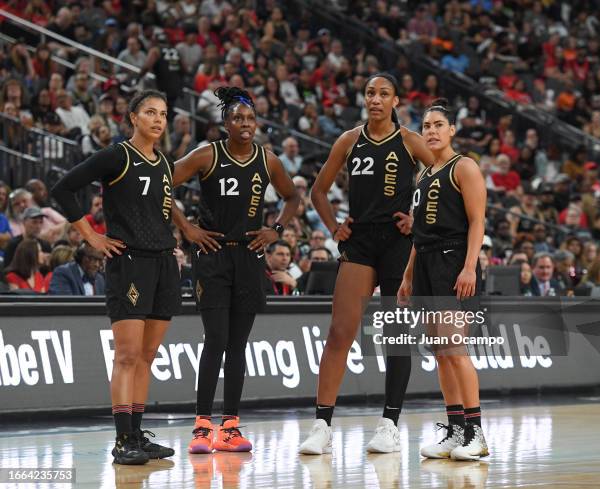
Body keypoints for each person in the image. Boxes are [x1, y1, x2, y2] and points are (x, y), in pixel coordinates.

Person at [299, 73, 434, 455]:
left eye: (383, 94)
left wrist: (418, 218)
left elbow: (445, 176)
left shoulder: (410, 141)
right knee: (339, 332)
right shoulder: (349, 140)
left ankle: (390, 424)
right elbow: (318, 191)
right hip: (359, 241)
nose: (375, 99)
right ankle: (321, 426)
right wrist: (333, 227)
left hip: (397, 242)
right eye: (370, 93)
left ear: (396, 102)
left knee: (395, 337)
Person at [51, 90, 183, 465]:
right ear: (133, 118)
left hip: (163, 264)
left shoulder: (165, 163)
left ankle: (137, 435)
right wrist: (91, 235)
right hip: (130, 264)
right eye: (151, 113)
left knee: (147, 356)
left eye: (163, 113)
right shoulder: (117, 156)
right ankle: (123, 438)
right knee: (126, 355)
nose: (159, 120)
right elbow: (64, 188)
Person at [170, 87, 299, 454]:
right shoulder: (207, 154)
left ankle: (230, 426)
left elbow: (292, 196)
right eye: (238, 118)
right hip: (212, 256)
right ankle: (201, 427)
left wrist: (275, 230)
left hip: (249, 256)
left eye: (250, 118)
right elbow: (165, 185)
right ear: (225, 123)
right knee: (216, 340)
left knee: (238, 345)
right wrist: (187, 228)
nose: (245, 124)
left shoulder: (268, 160)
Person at [401, 99, 489, 461]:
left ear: (452, 130)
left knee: (455, 348)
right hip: (425, 263)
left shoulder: (464, 166)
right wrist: (408, 275)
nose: (432, 131)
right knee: (440, 352)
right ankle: (454, 430)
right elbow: (418, 234)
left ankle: (476, 432)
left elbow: (477, 221)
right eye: (427, 126)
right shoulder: (422, 175)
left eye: (439, 124)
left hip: (454, 260)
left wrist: (469, 267)